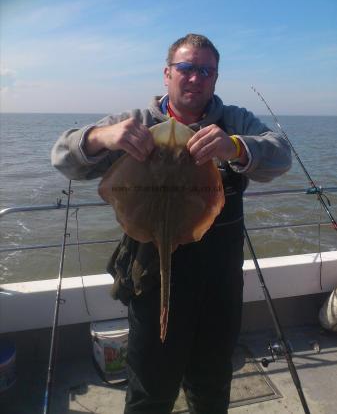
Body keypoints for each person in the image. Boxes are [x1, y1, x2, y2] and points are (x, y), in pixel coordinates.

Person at [51, 33, 291, 414]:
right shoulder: (138, 122)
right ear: (167, 74)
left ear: (215, 78)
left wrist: (238, 147)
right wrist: (102, 137)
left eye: (206, 71)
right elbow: (62, 158)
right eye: (186, 68)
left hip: (218, 279)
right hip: (151, 276)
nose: (195, 78)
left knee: (212, 383)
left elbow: (281, 155)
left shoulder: (233, 120)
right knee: (151, 387)